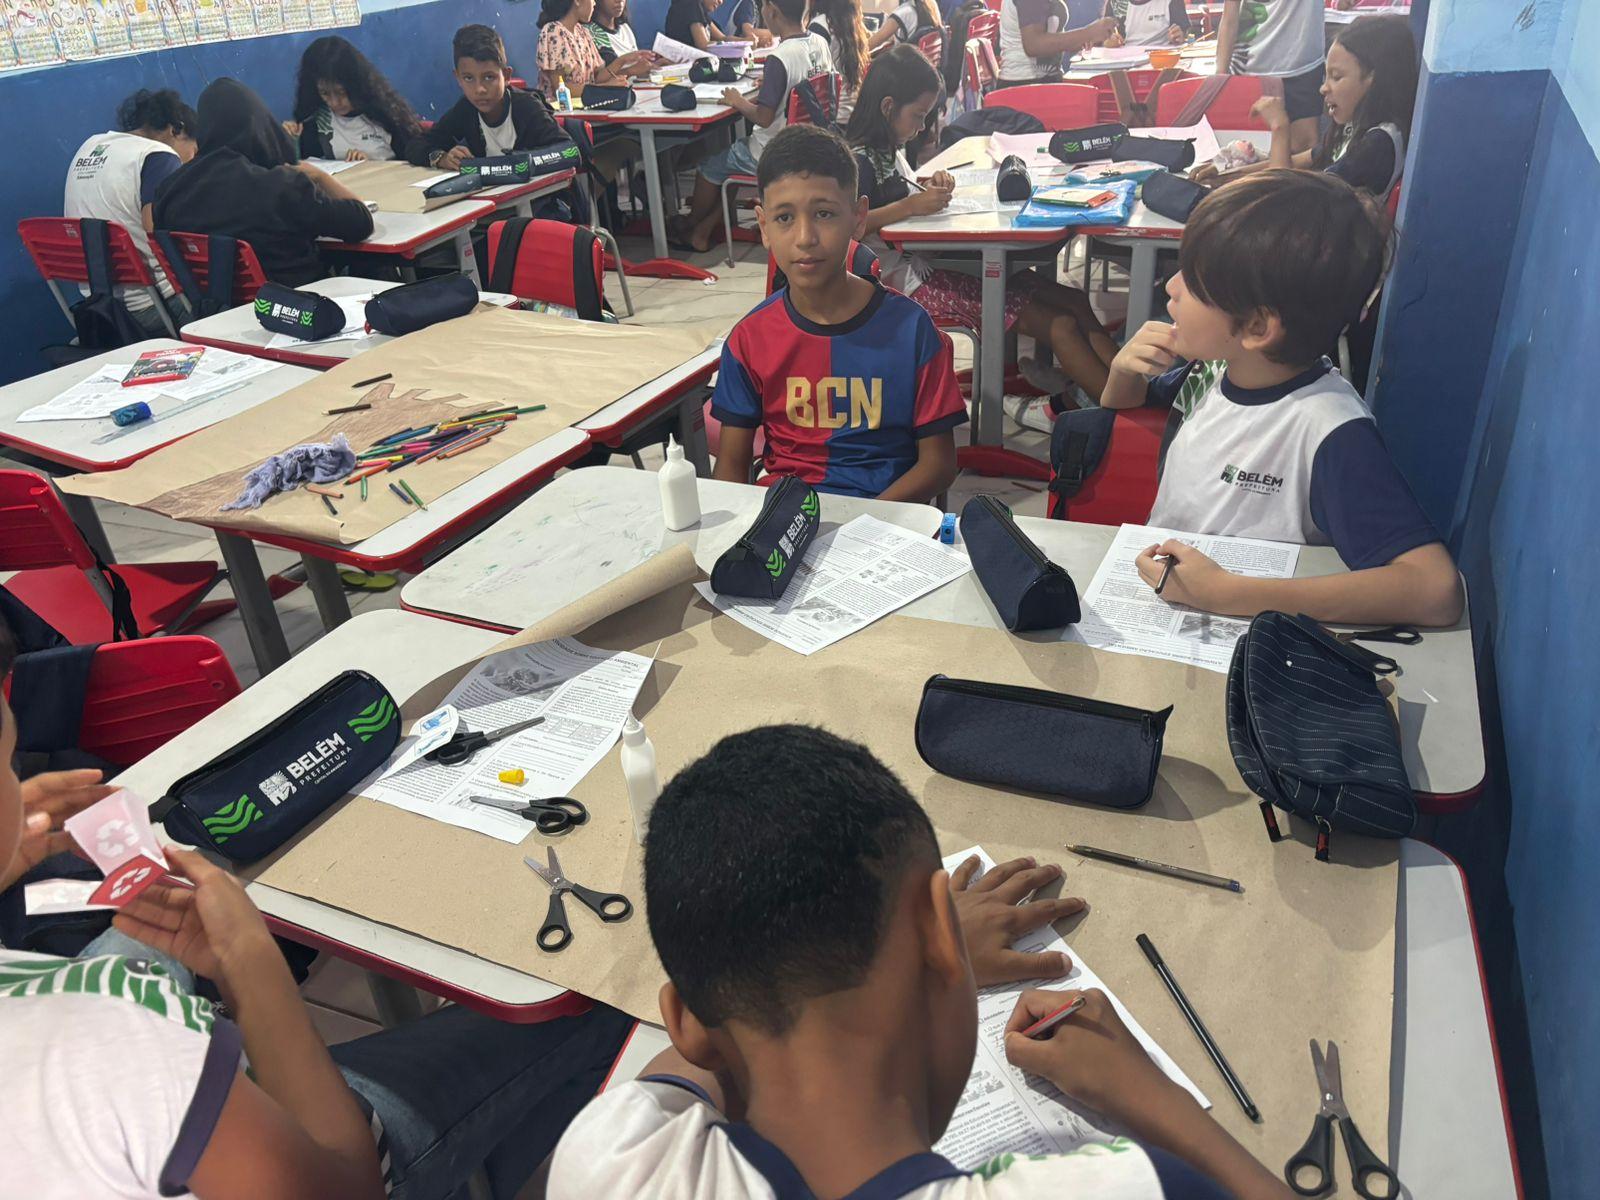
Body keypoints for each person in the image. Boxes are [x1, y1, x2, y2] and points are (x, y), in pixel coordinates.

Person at [0, 619, 633, 1200]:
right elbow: (344, 1189)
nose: (23, 783)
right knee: (592, 1007)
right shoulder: (108, 1038)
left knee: (145, 931)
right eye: (8, 764)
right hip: (311, 1155)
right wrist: (251, 967)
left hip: (129, 1116)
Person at [548, 724, 1295, 1198]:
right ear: (942, 935)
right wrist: (1154, 1098)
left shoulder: (606, 1159)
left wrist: (914, 958)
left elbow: (697, 1058)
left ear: (684, 1020)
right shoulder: (1128, 1189)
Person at [1099, 171, 1462, 627]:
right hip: (1163, 606)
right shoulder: (1212, 370)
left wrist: (1227, 593)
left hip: (1237, 636)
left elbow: (1435, 589)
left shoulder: (1329, 428)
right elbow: (1124, 412)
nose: (1170, 286)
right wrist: (1122, 371)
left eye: (1193, 281)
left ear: (1257, 328)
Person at [849, 46, 1121, 402]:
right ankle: (1120, 417)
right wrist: (909, 205)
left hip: (931, 265)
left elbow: (898, 192)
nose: (921, 128)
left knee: (1075, 301)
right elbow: (850, 227)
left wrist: (926, 189)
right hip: (906, 287)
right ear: (888, 107)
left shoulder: (889, 150)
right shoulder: (859, 163)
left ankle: (1130, 393)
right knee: (1061, 325)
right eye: (918, 116)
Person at [710, 125, 963, 502]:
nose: (805, 238)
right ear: (763, 227)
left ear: (858, 218)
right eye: (784, 218)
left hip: (887, 516)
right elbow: (731, 467)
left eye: (824, 213)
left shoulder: (912, 330)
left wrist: (865, 522)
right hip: (786, 515)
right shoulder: (749, 339)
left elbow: (939, 464)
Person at [152, 78, 373, 287]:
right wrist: (319, 176)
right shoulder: (279, 185)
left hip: (218, 308)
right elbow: (360, 223)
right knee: (371, 266)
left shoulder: (169, 190)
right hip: (297, 303)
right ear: (259, 125)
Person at [668, 0, 832, 255]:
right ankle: (702, 232)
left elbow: (764, 118)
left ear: (773, 11)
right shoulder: (819, 42)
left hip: (772, 151)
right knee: (730, 170)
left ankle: (691, 223)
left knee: (710, 168)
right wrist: (772, 84)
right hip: (809, 144)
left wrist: (738, 101)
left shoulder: (780, 56)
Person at [63, 88, 198, 335]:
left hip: (97, 307)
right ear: (175, 130)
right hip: (154, 307)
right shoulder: (159, 155)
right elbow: (157, 230)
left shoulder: (91, 145)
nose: (191, 160)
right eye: (194, 150)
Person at [1240, 14, 1416, 197]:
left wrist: (1280, 127)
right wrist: (1229, 176)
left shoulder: (1377, 145)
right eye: (1326, 76)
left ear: (1373, 79)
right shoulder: (1352, 125)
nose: (1323, 88)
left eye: (1336, 77)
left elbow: (1281, 199)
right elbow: (1298, 161)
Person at [407, 24, 573, 170]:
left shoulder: (527, 107)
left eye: (489, 77)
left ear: (506, 76)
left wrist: (518, 162)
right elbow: (416, 145)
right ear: (458, 78)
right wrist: (441, 158)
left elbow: (568, 149)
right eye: (468, 78)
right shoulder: (466, 109)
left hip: (542, 195)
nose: (479, 89)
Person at [284, 36, 420, 163]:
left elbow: (414, 161)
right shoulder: (317, 121)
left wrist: (371, 164)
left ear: (356, 86)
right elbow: (305, 167)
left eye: (341, 92)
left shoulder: (388, 115)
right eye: (325, 93)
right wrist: (290, 141)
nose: (335, 102)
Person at [1215, 0, 1325, 154]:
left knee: (1304, 150)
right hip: (1250, 67)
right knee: (1248, 152)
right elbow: (1229, 17)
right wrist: (1220, 79)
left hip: (1302, 65)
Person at [538, 0, 654, 101]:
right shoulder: (554, 32)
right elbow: (560, 88)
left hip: (587, 106)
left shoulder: (582, 32)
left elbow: (597, 76)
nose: (594, 4)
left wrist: (623, 60)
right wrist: (604, 88)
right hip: (562, 112)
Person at [996, 0, 1114, 86]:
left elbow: (1052, 35)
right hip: (1024, 87)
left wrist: (1083, 40)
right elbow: (1033, 45)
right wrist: (1088, 33)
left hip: (1047, 81)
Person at [806, 0, 869, 123]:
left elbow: (811, 76)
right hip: (853, 114)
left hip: (832, 117)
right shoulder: (851, 21)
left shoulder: (819, 26)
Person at [1103, 0, 1188, 47]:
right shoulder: (1115, 3)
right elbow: (1104, 39)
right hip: (1124, 62)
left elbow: (1185, 34)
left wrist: (1180, 37)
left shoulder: (1172, 2)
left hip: (1162, 59)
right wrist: (1108, 42)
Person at [867, 0, 941, 52]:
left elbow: (871, 45)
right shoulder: (931, 5)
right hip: (921, 65)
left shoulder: (904, 12)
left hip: (903, 65)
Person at [664, 0, 731, 49]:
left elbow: (723, 38)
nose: (720, 2)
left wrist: (737, 43)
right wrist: (729, 46)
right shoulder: (690, 4)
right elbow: (704, 45)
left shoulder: (701, 12)